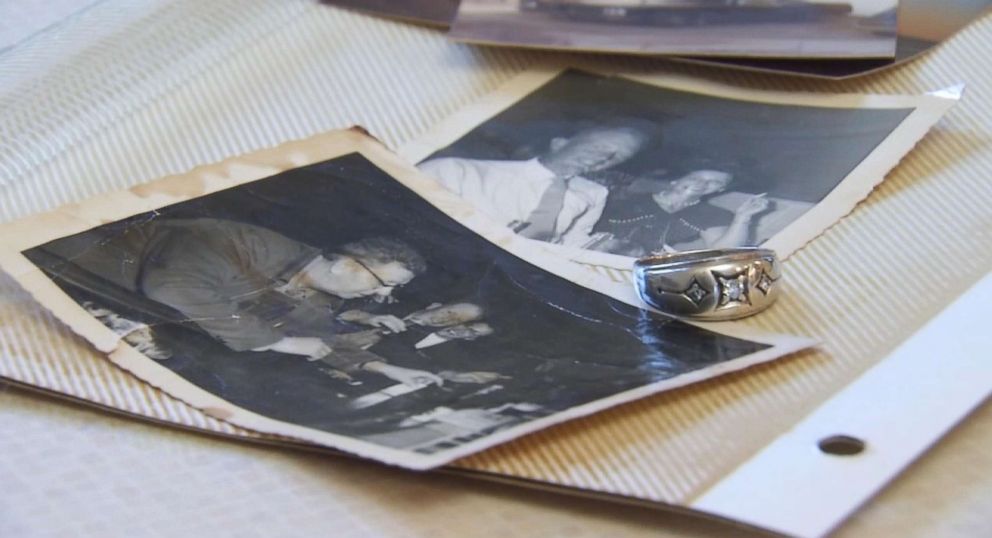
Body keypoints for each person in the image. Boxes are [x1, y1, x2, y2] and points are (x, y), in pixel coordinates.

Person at [135, 217, 444, 388]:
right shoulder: (246, 243)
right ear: (345, 265)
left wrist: (387, 370)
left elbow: (321, 340)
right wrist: (277, 343)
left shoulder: (324, 298)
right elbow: (170, 286)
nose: (381, 296)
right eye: (384, 284)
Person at [418, 121, 653, 247]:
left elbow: (572, 241)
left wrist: (605, 246)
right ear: (559, 143)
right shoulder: (454, 170)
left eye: (617, 158)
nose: (603, 160)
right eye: (597, 148)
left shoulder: (594, 193)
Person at [591, 169, 770, 256]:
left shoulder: (710, 214)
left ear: (720, 189)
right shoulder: (626, 196)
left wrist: (743, 217)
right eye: (696, 177)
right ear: (676, 179)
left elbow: (723, 251)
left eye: (715, 182)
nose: (703, 184)